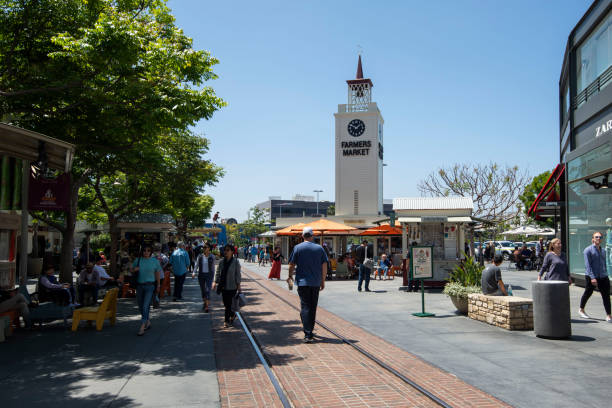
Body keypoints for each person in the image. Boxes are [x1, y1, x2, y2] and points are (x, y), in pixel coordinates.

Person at [287, 227, 327, 343]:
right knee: (312, 306)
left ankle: (307, 333)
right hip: (315, 282)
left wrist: (290, 276)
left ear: (302, 236)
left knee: (305, 306)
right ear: (312, 236)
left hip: (302, 282)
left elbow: (291, 265)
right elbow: (324, 265)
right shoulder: (319, 249)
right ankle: (309, 330)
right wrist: (323, 281)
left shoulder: (297, 248)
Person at [578, 232, 611, 322]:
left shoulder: (603, 250)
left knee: (606, 295)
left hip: (603, 276)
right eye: (596, 237)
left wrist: (606, 273)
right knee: (588, 293)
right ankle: (581, 309)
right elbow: (588, 266)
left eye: (600, 237)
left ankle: (608, 315)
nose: (598, 238)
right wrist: (592, 277)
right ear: (593, 239)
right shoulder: (588, 250)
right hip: (592, 276)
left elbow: (604, 263)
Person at [132, 245, 161, 336]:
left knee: (145, 306)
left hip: (150, 286)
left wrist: (159, 285)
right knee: (141, 306)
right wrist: (134, 269)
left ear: (151, 252)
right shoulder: (138, 260)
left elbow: (157, 273)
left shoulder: (154, 261)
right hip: (139, 286)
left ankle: (142, 326)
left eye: (148, 250)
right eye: (144, 250)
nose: (146, 252)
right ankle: (147, 321)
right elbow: (131, 270)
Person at [213, 244, 241, 328]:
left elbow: (238, 274)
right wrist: (215, 282)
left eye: (228, 250)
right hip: (223, 286)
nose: (226, 252)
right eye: (225, 250)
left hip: (232, 286)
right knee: (226, 304)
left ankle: (226, 321)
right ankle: (232, 314)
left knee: (228, 305)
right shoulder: (221, 262)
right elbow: (218, 272)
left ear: (232, 252)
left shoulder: (236, 262)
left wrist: (238, 285)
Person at [193, 244, 215, 312]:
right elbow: (196, 265)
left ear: (209, 248)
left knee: (208, 290)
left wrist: (214, 279)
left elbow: (213, 268)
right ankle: (205, 303)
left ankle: (207, 307)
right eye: (204, 247)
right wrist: (194, 272)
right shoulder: (200, 256)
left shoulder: (212, 257)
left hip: (209, 275)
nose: (204, 249)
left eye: (206, 247)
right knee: (203, 291)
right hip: (201, 275)